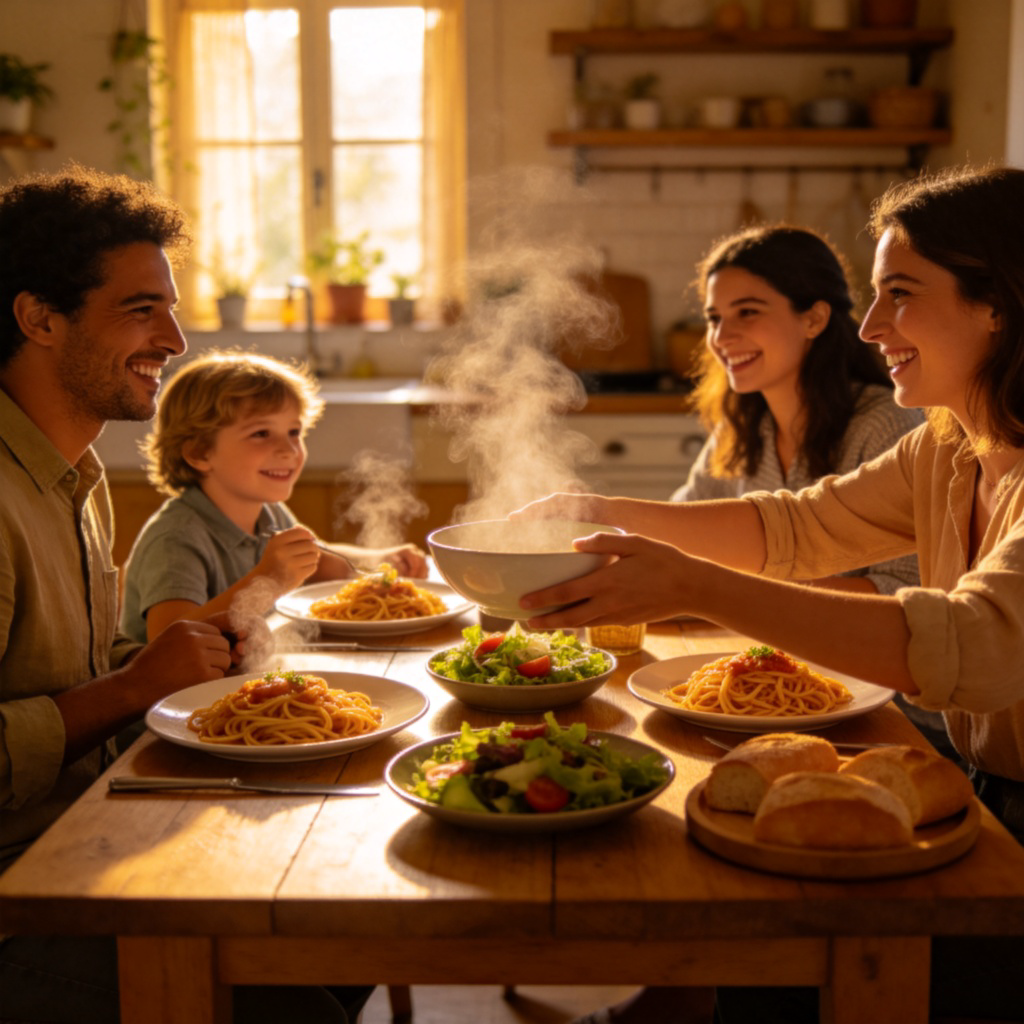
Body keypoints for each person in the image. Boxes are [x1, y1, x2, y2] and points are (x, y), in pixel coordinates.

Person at [512, 165, 1024, 1022]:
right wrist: (593, 511)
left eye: (900, 294)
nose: (870, 325)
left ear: (999, 304)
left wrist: (690, 585)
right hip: (971, 794)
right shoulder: (950, 445)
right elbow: (796, 528)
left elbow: (971, 646)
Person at [0, 166, 368, 1024]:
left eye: (170, 308)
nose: (174, 336)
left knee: (336, 930)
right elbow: (112, 691)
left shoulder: (74, 477)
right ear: (40, 318)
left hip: (88, 833)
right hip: (21, 900)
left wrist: (189, 650)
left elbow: (95, 672)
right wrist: (132, 688)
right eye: (141, 309)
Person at [674, 223, 922, 596]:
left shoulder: (884, 424)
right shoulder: (741, 425)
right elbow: (680, 535)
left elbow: (907, 587)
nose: (721, 338)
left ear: (814, 319)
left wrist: (733, 591)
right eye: (714, 318)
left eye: (748, 312)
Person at [120, 349, 427, 645]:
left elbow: (318, 561)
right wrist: (268, 581)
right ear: (200, 452)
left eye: (294, 432)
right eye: (261, 434)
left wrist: (379, 560)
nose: (288, 450)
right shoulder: (176, 537)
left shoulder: (270, 512)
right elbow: (168, 644)